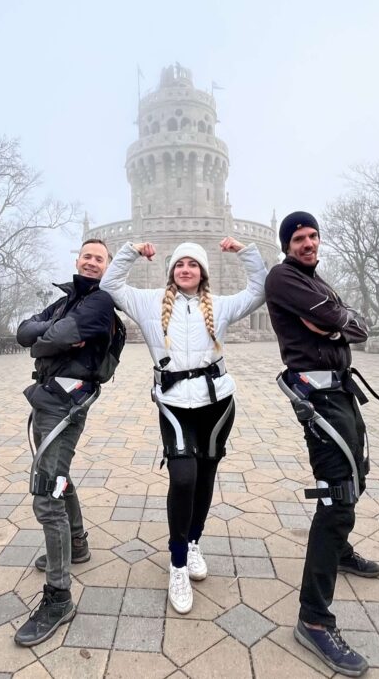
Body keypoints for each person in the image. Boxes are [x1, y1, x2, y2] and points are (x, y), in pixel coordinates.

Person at [101, 236, 266, 614]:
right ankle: (177, 565)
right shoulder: (149, 302)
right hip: (174, 404)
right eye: (180, 265)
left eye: (193, 265)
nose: (186, 269)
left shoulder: (220, 307)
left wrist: (245, 252)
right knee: (184, 478)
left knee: (205, 478)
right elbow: (110, 286)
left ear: (203, 272)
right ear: (171, 271)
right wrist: (130, 252)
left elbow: (259, 291)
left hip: (217, 403)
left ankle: (193, 543)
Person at [265, 211, 379, 677]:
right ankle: (314, 618)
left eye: (313, 236)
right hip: (316, 394)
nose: (308, 243)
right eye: (299, 238)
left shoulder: (317, 280)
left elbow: (358, 325)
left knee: (358, 475)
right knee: (336, 495)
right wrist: (336, 321)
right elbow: (340, 318)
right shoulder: (284, 278)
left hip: (342, 390)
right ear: (286, 244)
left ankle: (339, 550)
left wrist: (333, 324)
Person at [13, 238, 121, 647]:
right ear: (77, 260)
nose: (92, 262)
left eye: (100, 259)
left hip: (68, 402)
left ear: (108, 268)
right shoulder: (64, 302)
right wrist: (47, 337)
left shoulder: (100, 302)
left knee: (46, 492)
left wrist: (44, 340)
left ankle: (58, 597)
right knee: (58, 476)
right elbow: (26, 333)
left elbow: (46, 338)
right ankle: (76, 543)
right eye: (87, 256)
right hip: (46, 397)